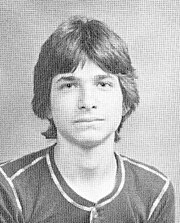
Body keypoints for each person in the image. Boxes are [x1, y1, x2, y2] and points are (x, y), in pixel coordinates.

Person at [0, 16, 175, 223]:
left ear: (125, 101)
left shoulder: (154, 192)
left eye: (103, 84)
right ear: (47, 104)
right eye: (68, 85)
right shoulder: (9, 189)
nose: (87, 102)